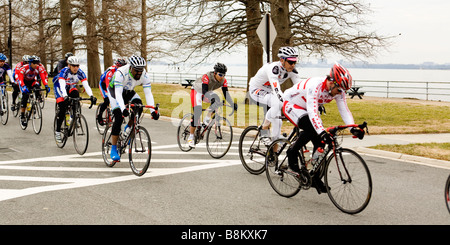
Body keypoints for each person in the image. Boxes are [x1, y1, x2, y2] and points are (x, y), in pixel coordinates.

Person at [283, 62, 364, 193]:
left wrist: (352, 128)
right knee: (312, 129)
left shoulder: (339, 91)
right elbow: (312, 112)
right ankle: (291, 152)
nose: (340, 93)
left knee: (321, 142)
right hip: (292, 105)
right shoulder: (315, 86)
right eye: (339, 90)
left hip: (307, 109)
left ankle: (313, 176)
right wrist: (321, 131)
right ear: (332, 82)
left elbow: (344, 110)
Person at [107, 55, 159, 161]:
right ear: (131, 67)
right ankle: (113, 148)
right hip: (115, 92)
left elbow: (148, 94)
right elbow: (118, 94)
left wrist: (153, 111)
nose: (139, 73)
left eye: (141, 70)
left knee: (139, 106)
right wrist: (123, 109)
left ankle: (128, 128)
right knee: (119, 117)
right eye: (137, 70)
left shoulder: (144, 74)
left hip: (129, 91)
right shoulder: (121, 73)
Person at [248, 47, 302, 146]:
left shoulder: (292, 71)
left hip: (270, 92)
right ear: (282, 60)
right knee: (277, 102)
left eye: (295, 62)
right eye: (290, 62)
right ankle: (264, 130)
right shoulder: (273, 69)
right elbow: (277, 90)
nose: (293, 65)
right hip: (256, 90)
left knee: (278, 120)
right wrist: (286, 103)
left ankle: (273, 149)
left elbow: (301, 88)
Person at [188, 62, 237, 148]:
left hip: (207, 92)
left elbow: (226, 94)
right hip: (197, 91)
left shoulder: (223, 81)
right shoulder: (207, 77)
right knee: (198, 112)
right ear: (215, 73)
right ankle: (191, 137)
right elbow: (204, 91)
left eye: (224, 75)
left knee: (217, 100)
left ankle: (205, 122)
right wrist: (211, 99)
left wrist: (232, 104)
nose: (222, 77)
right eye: (220, 74)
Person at [54, 56, 96, 142]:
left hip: (70, 86)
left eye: (77, 66)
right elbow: (62, 85)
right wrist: (65, 96)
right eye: (73, 66)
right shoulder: (64, 71)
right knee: (62, 107)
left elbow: (86, 85)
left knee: (76, 95)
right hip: (59, 87)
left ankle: (75, 117)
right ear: (69, 65)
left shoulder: (80, 72)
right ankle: (57, 131)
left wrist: (92, 96)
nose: (76, 68)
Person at [16, 55, 50, 127]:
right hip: (24, 82)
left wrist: (46, 85)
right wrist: (23, 86)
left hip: (32, 82)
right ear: (30, 63)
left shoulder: (39, 68)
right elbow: (20, 79)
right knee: (25, 96)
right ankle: (22, 115)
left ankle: (35, 102)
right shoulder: (24, 68)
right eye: (34, 63)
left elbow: (43, 78)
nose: (36, 65)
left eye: (37, 63)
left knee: (38, 88)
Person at [97, 58, 127, 125]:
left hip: (114, 85)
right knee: (107, 100)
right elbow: (108, 86)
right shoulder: (111, 72)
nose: (121, 68)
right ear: (116, 66)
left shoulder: (125, 72)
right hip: (104, 85)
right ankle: (99, 116)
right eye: (119, 66)